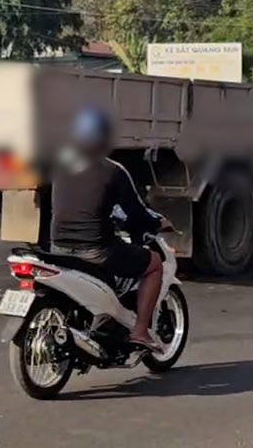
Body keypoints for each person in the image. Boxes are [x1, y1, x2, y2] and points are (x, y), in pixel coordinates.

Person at [49, 107, 169, 352]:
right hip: (96, 251)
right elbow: (137, 212)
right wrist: (159, 222)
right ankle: (140, 331)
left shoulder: (61, 166)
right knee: (155, 263)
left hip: (58, 247)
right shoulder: (113, 171)